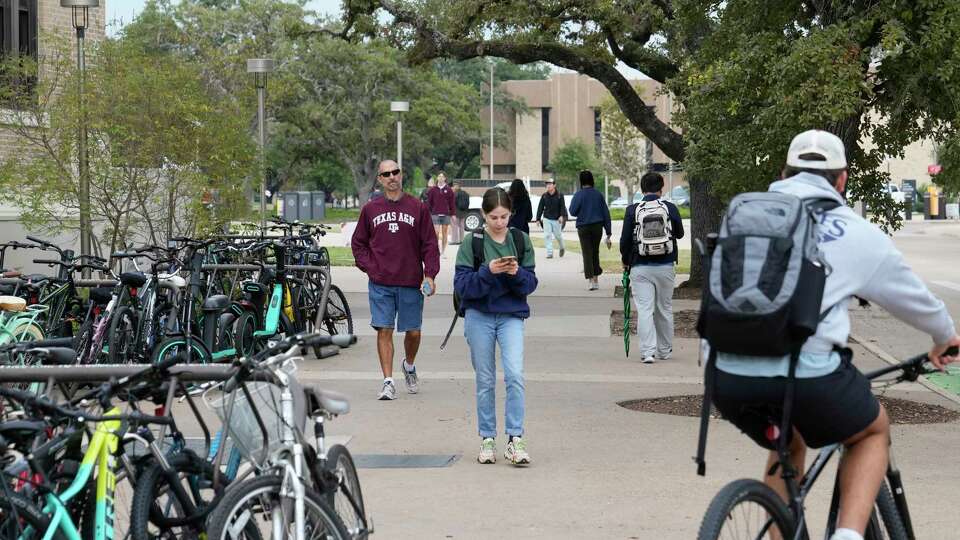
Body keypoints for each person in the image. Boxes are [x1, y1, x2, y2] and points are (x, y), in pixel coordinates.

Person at [710, 130, 960, 540]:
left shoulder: (744, 218)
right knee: (871, 431)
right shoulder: (854, 232)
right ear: (841, 179)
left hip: (726, 373)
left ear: (783, 173)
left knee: (785, 444)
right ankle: (847, 535)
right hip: (807, 375)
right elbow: (916, 300)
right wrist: (944, 337)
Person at [454, 187, 538, 466]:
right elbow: (463, 287)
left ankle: (515, 438)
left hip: (511, 315)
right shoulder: (472, 243)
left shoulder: (520, 240)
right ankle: (488, 438)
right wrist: (487, 272)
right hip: (479, 315)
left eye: (504, 217)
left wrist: (516, 273)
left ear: (510, 214)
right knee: (485, 380)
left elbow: (530, 284)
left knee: (515, 375)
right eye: (493, 217)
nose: (499, 222)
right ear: (483, 215)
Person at [352, 160, 440, 401]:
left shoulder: (417, 207)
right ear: (380, 179)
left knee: (413, 332)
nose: (392, 177)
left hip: (411, 282)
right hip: (381, 283)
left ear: (401, 174)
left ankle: (409, 366)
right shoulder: (371, 209)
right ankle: (388, 381)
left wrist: (430, 275)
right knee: (384, 329)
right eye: (386, 174)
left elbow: (430, 245)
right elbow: (358, 244)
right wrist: (371, 268)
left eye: (395, 172)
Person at [620, 172, 684, 364]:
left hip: (640, 267)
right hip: (665, 265)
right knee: (664, 308)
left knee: (645, 310)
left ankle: (648, 352)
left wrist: (625, 260)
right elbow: (679, 234)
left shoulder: (633, 210)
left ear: (642, 189)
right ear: (661, 189)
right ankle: (664, 350)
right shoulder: (669, 208)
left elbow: (624, 240)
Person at [569, 170, 612, 290]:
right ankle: (596, 279)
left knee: (586, 253)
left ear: (581, 181)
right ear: (592, 180)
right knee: (595, 252)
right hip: (597, 227)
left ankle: (591, 280)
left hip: (583, 227)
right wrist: (608, 232)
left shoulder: (578, 195)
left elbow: (572, 211)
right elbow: (605, 213)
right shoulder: (598, 194)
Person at [536, 178, 568, 259]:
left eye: (550, 184)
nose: (548, 186)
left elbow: (562, 207)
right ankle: (550, 253)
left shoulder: (560, 195)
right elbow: (540, 207)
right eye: (547, 184)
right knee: (547, 235)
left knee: (558, 236)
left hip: (557, 219)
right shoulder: (544, 196)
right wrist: (538, 219)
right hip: (547, 218)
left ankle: (562, 247)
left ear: (554, 185)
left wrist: (562, 216)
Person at [427, 172, 456, 256]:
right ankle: (437, 249)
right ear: (437, 178)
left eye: (442, 176)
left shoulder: (449, 190)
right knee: (436, 233)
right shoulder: (433, 190)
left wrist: (453, 214)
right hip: (435, 214)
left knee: (444, 233)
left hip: (446, 214)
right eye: (439, 176)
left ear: (445, 178)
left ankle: (443, 251)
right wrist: (428, 212)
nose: (440, 178)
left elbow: (452, 203)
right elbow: (429, 202)